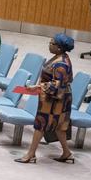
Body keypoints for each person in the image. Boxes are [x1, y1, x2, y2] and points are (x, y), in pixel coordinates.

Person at [16, 34, 76, 164]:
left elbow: (56, 86)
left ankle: (31, 154)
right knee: (59, 127)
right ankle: (67, 153)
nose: (49, 44)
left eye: (52, 43)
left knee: (41, 125)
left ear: (59, 48)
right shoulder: (60, 57)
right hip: (59, 98)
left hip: (55, 100)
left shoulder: (61, 64)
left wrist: (37, 87)